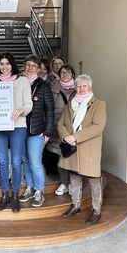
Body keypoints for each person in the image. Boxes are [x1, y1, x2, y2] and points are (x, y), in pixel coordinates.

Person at [58, 74, 106, 225]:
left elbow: (98, 127)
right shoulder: (69, 106)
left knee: (93, 179)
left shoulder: (98, 104)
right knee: (75, 177)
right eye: (78, 86)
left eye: (84, 86)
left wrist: (75, 137)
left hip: (88, 148)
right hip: (72, 148)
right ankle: (75, 205)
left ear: (90, 87)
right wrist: (66, 136)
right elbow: (60, 124)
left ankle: (96, 210)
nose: (81, 88)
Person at [0, 52, 32, 212]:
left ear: (12, 64)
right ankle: (4, 195)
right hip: (0, 127)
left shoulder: (23, 81)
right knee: (2, 161)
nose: (4, 67)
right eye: (1, 64)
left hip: (18, 126)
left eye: (7, 63)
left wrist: (20, 110)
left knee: (16, 161)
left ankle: (15, 194)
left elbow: (29, 104)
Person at [19, 55, 54, 207]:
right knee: (25, 161)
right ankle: (30, 187)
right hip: (20, 129)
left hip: (37, 130)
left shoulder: (44, 86)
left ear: (39, 69)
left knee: (35, 163)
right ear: (23, 66)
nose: (30, 68)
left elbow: (50, 110)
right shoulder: (18, 83)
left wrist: (48, 132)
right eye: (28, 65)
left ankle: (39, 191)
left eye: (34, 65)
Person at [49, 65, 77, 196]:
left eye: (68, 72)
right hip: (58, 125)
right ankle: (64, 182)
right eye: (63, 72)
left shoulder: (79, 88)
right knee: (62, 154)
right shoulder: (53, 87)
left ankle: (73, 183)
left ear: (73, 74)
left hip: (74, 127)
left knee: (73, 155)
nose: (65, 74)